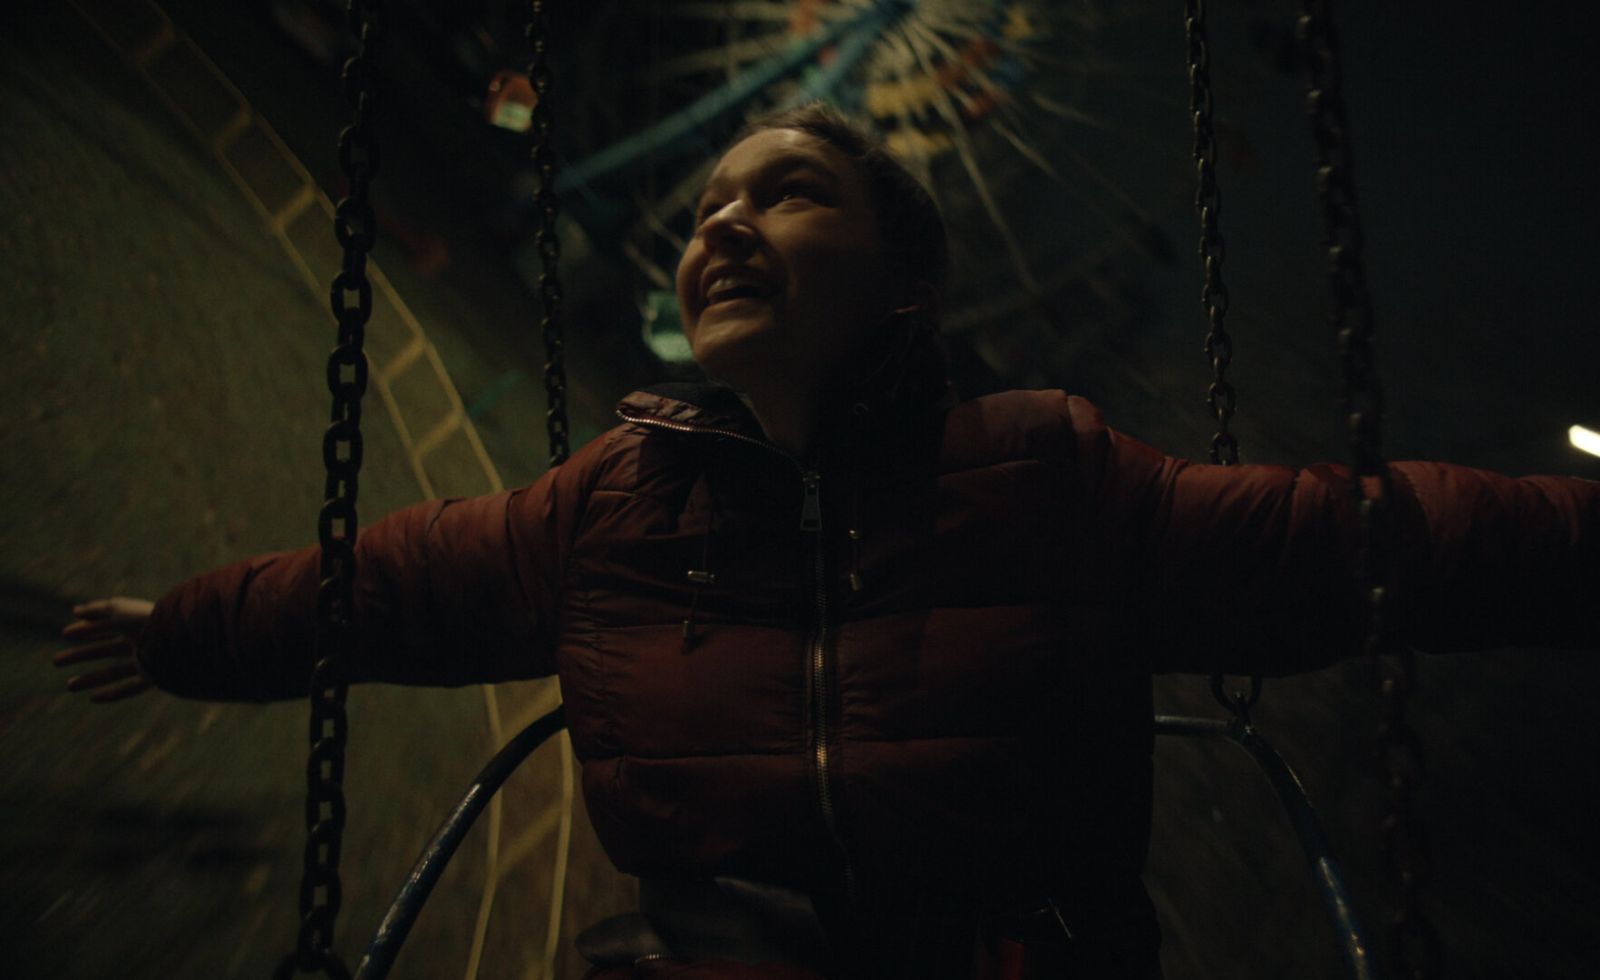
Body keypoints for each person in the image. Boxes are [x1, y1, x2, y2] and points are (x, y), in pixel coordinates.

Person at [56, 103, 1599, 979]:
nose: (720, 225)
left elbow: (1371, 541)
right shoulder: (613, 504)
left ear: (905, 284)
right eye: (708, 207)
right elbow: (393, 591)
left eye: (786, 195)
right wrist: (185, 630)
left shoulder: (1049, 480)